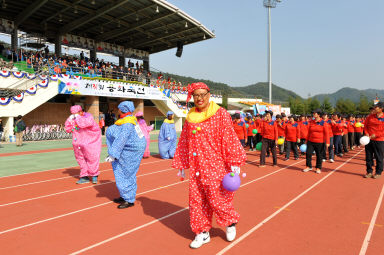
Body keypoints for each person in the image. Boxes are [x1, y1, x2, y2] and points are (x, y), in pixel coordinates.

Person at [172, 82, 246, 249]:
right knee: (197, 201)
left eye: (202, 94)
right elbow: (184, 141)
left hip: (216, 166)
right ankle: (202, 232)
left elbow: (229, 137)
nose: (199, 98)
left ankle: (230, 223)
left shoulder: (220, 114)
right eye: (196, 95)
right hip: (197, 167)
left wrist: (234, 161)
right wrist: (182, 163)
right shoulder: (190, 117)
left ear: (209, 95)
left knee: (218, 198)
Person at [105, 101, 146, 208]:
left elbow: (121, 139)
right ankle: (125, 196)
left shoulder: (128, 123)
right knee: (124, 172)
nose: (118, 110)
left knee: (126, 173)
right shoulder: (130, 120)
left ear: (122, 109)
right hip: (130, 149)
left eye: (119, 108)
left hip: (130, 151)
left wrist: (113, 154)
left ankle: (129, 199)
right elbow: (140, 136)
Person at [65, 105, 101, 184]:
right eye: (73, 114)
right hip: (78, 143)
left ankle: (94, 175)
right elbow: (67, 129)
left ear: (81, 111)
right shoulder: (72, 119)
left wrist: (77, 118)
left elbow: (84, 124)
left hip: (91, 142)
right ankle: (84, 176)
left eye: (76, 113)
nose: (75, 115)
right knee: (81, 159)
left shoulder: (88, 117)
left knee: (92, 158)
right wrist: (69, 120)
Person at [303, 109, 330, 174]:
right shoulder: (311, 122)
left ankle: (318, 168)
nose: (313, 114)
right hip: (310, 141)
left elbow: (327, 133)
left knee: (319, 155)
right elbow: (309, 132)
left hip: (320, 142)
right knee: (308, 153)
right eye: (313, 113)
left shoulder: (324, 123)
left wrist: (328, 142)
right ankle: (308, 166)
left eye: (314, 113)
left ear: (318, 114)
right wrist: (306, 140)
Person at [363, 102, 384, 179]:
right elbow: (365, 127)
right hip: (369, 139)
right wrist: (366, 133)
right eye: (374, 107)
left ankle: (378, 172)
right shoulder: (370, 117)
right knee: (368, 156)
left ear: (381, 109)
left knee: (379, 157)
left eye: (376, 107)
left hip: (379, 140)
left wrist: (376, 135)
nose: (375, 108)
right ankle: (369, 172)